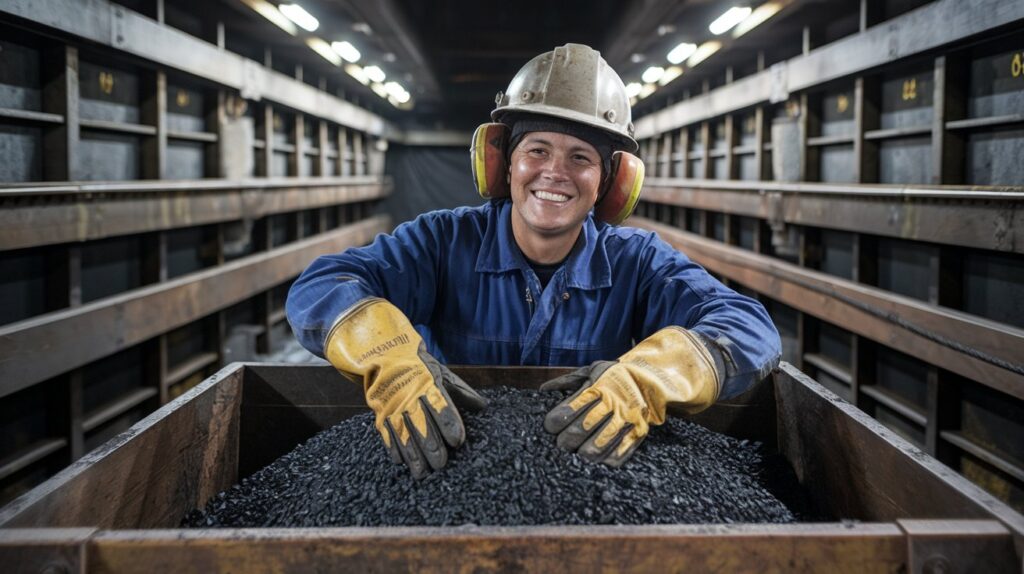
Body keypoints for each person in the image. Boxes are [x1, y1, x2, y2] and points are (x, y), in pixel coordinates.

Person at [286, 43, 781, 479]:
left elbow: (749, 327)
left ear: (612, 183)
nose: (554, 173)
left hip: (589, 473)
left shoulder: (637, 261)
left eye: (581, 158)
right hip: (447, 462)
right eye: (537, 150)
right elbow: (322, 285)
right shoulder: (443, 240)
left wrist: (649, 379)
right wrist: (387, 359)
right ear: (503, 164)